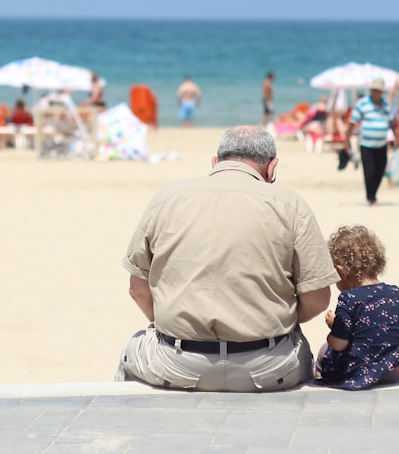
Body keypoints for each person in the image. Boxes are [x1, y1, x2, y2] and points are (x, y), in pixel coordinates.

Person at [117, 125, 338, 392]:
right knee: (305, 352)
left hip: (177, 364)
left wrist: (170, 323)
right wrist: (277, 319)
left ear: (215, 163)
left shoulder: (168, 198)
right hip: (268, 367)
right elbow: (317, 299)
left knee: (131, 350)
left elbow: (137, 289)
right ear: (272, 168)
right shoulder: (291, 205)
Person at [315, 225, 399, 390]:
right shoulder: (395, 293)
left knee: (324, 350)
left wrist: (334, 327)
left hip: (358, 370)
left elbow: (339, 344)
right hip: (392, 371)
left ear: (341, 271)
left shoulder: (349, 298)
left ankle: (321, 377)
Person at [345, 78, 393, 206]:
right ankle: (371, 197)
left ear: (381, 92)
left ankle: (373, 194)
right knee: (369, 171)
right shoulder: (362, 104)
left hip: (382, 144)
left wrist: (397, 139)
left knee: (380, 171)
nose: (375, 92)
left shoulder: (386, 106)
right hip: (366, 144)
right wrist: (346, 140)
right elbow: (352, 122)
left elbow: (392, 124)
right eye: (373, 90)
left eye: (378, 90)